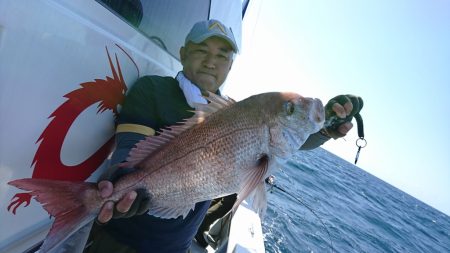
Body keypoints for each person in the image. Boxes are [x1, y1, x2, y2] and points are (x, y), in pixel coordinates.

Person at [84, 19, 363, 253]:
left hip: (176, 246)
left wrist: (326, 126)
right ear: (183, 54)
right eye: (201, 50)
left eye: (222, 56)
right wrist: (118, 182)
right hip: (120, 241)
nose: (210, 62)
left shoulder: (238, 114)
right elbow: (129, 152)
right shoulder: (153, 90)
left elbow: (292, 140)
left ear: (230, 66)